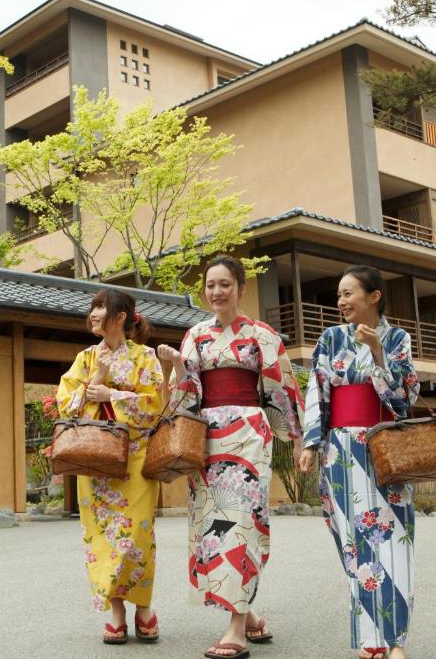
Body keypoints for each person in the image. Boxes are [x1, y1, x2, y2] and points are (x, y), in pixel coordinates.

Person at [158, 255, 304, 659]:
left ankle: (236, 628)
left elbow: (281, 390)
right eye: (210, 285)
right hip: (205, 438)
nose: (216, 292)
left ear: (241, 287)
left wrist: (295, 437)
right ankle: (250, 615)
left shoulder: (263, 334)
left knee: (241, 522)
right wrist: (172, 366)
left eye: (225, 284)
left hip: (248, 436)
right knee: (212, 526)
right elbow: (187, 393)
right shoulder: (195, 335)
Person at [297, 265, 421, 659]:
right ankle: (371, 640)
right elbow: (317, 395)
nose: (341, 301)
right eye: (338, 295)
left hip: (384, 448)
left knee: (393, 545)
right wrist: (310, 442)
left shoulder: (397, 338)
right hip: (340, 452)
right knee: (354, 547)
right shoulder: (330, 339)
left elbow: (405, 399)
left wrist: (378, 353)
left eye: (349, 293)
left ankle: (395, 641)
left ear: (374, 296)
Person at [57, 288, 164, 645]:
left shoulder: (145, 356)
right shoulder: (85, 358)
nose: (94, 313)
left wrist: (113, 395)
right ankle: (117, 613)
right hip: (96, 461)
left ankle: (143, 607)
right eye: (93, 307)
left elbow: (155, 405)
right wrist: (98, 380)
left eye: (101, 307)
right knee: (102, 540)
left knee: (136, 536)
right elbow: (65, 406)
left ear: (121, 316)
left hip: (135, 459)